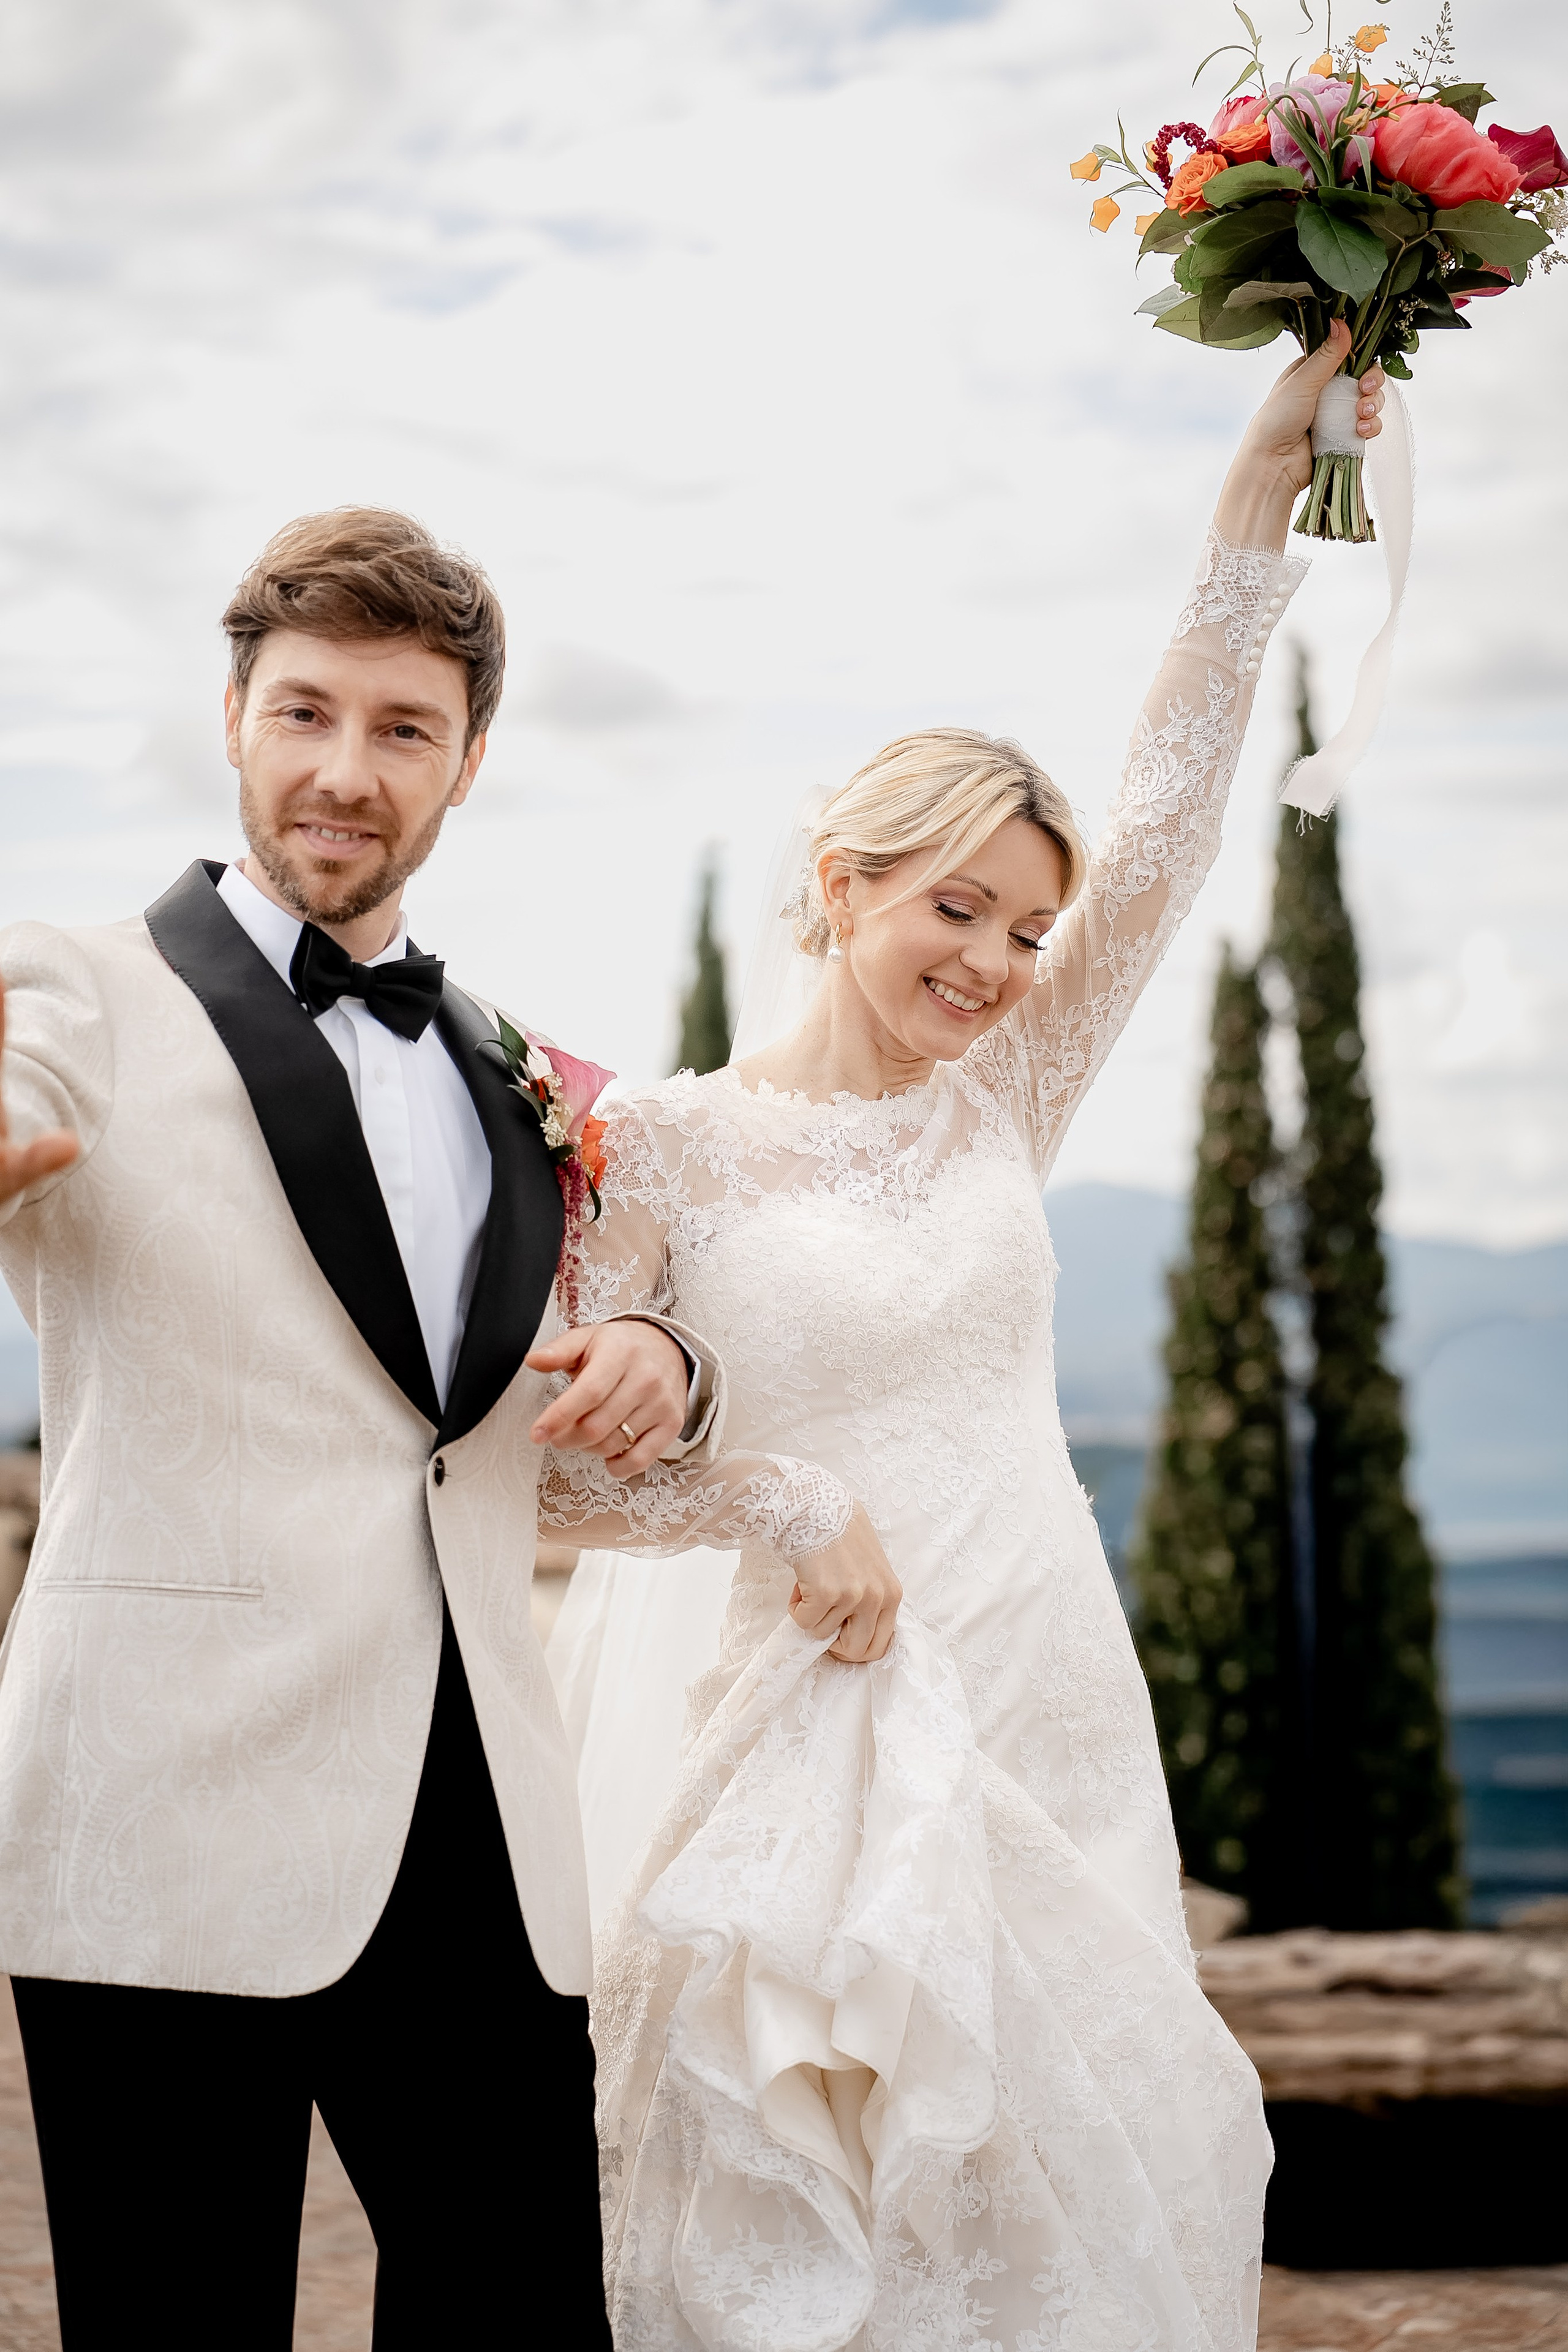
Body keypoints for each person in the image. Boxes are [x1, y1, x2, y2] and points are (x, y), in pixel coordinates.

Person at [542, 325, 1385, 2351]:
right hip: (814, 1704)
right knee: (812, 2165)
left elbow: (1176, 825)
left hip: (1039, 1678)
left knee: (1071, 2153)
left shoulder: (1001, 1098)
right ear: (841, 890)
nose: (1001, 967)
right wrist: (788, 1495)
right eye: (959, 914)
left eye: (1028, 930)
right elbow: (567, 1469)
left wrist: (1261, 487)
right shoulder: (660, 1144)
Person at [0, 507, 897, 2350]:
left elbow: (579, 1365)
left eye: (403, 729)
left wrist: (666, 1351)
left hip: (480, 1824)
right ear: (235, 716)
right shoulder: (74, 987)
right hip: (161, 1812)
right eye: (307, 712)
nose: (346, 770)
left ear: (468, 762)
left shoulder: (521, 1071)